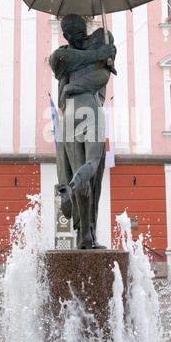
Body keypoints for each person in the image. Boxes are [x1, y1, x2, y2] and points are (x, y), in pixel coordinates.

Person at [49, 14, 116, 249]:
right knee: (91, 167)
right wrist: (100, 54)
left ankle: (85, 237)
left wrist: (70, 87)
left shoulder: (74, 56)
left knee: (86, 176)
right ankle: (73, 193)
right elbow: (61, 63)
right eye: (78, 33)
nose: (83, 36)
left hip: (70, 115)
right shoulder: (64, 55)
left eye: (84, 31)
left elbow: (102, 77)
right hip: (88, 110)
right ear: (66, 35)